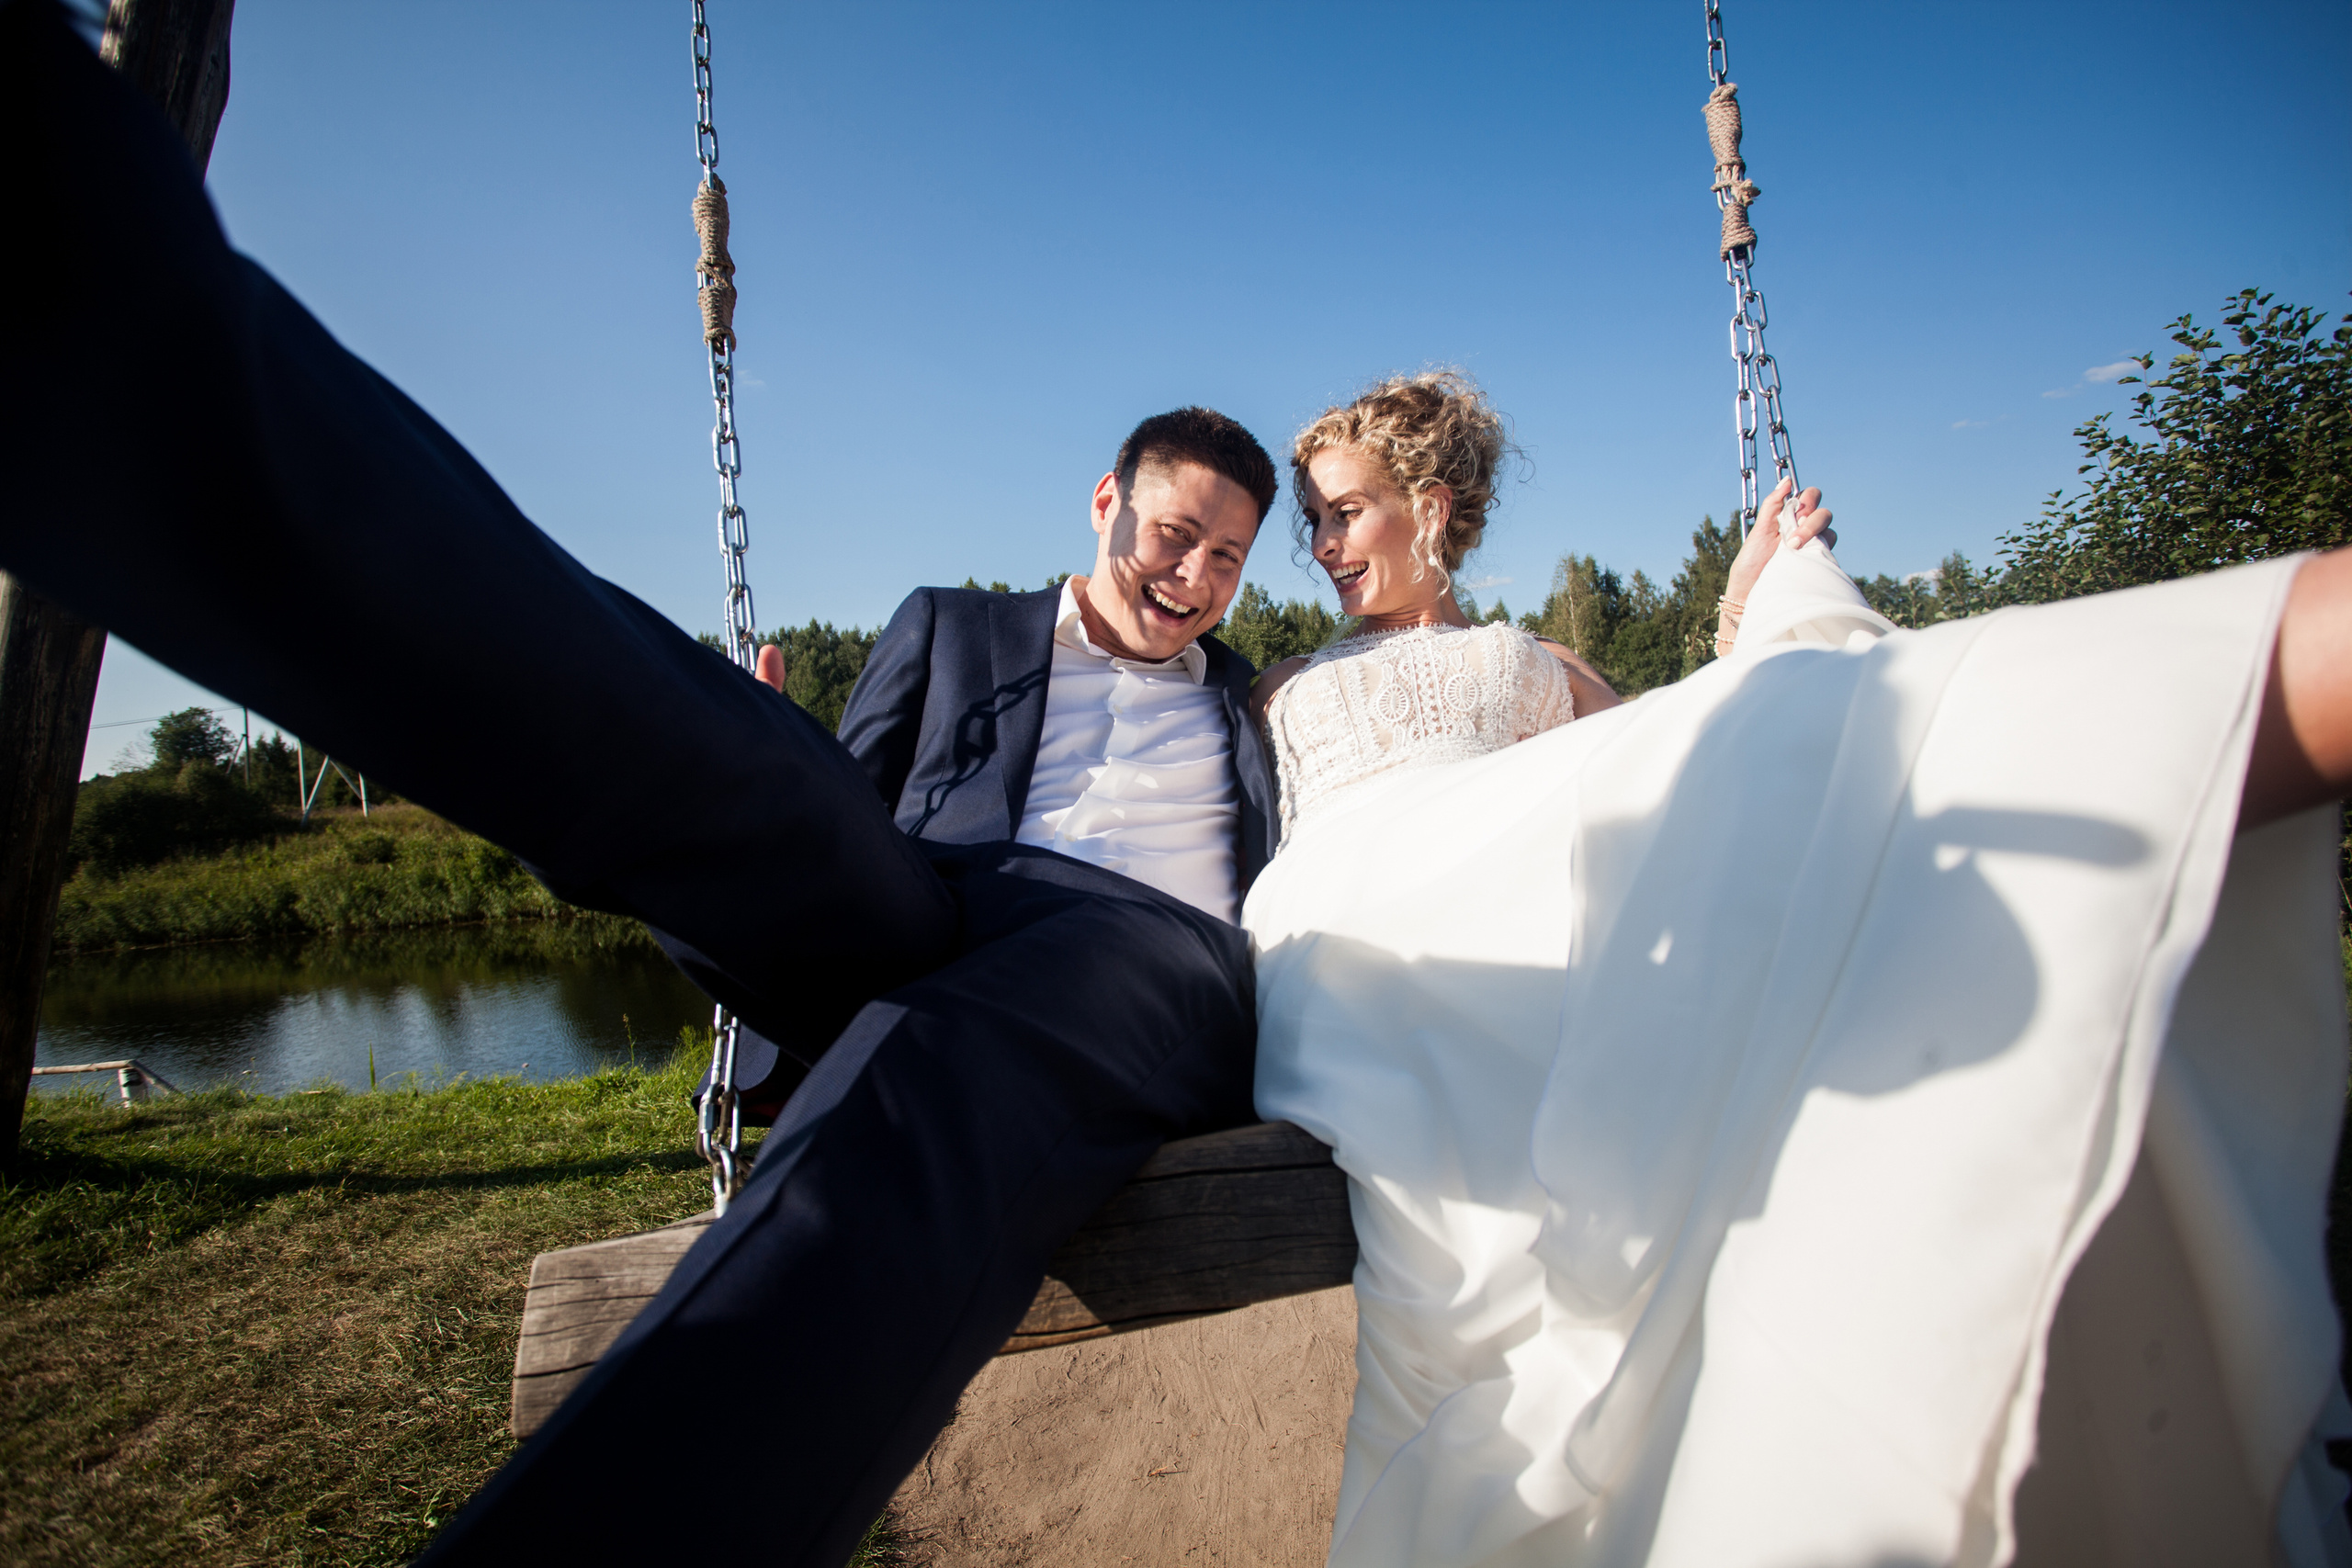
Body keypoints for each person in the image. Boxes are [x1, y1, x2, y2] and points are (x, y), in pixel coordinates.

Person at [0, 6, 1283, 1562]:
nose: (1197, 578)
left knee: (950, 1052)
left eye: (1227, 557)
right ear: (1105, 503)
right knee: (683, 743)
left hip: (1141, 959)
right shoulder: (954, 627)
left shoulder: (1254, 703)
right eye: (1174, 535)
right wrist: (767, 750)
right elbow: (845, 809)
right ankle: (88, 311)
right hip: (936, 903)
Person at [1244, 371, 2352, 1566]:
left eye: (1342, 511)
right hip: (1360, 900)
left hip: (1532, 857)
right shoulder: (1274, 683)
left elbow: (1673, 768)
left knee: (1800, 750)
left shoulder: (1545, 664)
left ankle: (2207, 710)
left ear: (1433, 500)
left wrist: (1749, 622)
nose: (1318, 545)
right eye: (1312, 519)